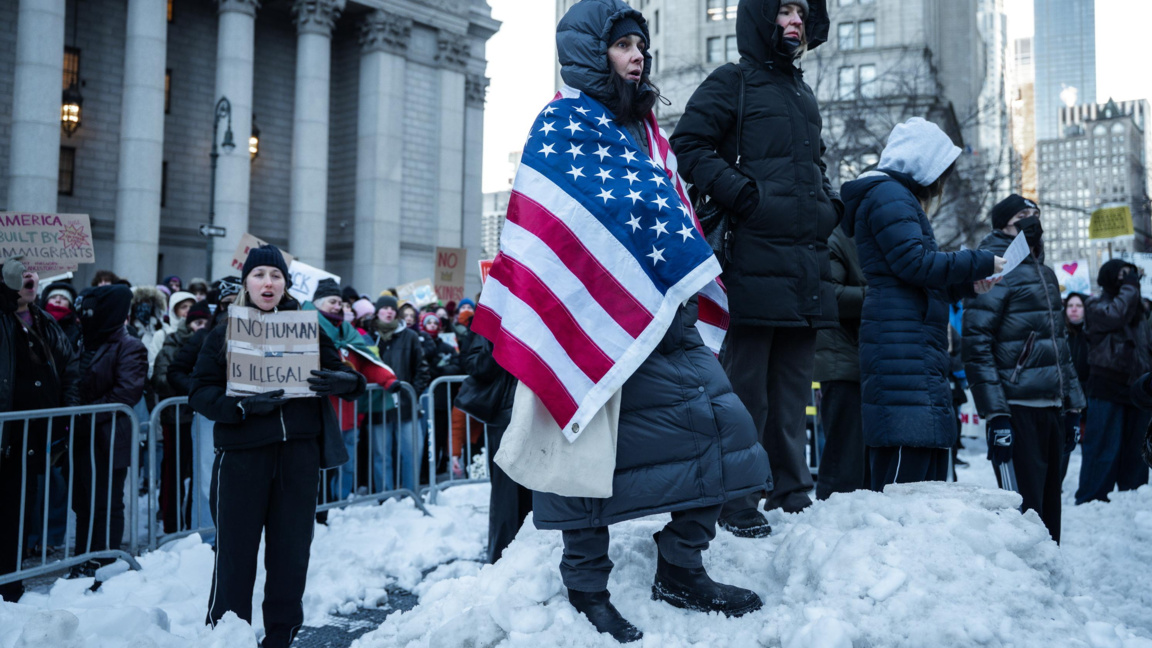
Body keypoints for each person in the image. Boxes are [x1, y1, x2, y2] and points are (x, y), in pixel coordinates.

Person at [510, 3, 772, 641]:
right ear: (589, 52)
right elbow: (559, 223)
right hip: (592, 320)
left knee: (727, 437)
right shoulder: (562, 124)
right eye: (624, 45)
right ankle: (586, 586)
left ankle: (681, 566)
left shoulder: (647, 131)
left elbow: (660, 211)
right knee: (582, 457)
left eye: (642, 47)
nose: (638, 56)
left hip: (668, 321)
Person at [670, 0, 838, 529]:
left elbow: (815, 166)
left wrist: (827, 207)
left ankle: (791, 492)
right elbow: (687, 145)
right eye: (785, 10)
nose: (796, 21)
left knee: (791, 397)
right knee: (745, 394)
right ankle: (737, 500)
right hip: (749, 263)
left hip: (803, 267)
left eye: (802, 13)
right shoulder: (732, 80)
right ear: (763, 18)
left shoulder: (801, 92)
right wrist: (747, 196)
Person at [190, 245, 365, 648]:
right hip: (242, 458)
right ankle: (228, 637)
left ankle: (281, 637)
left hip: (297, 456)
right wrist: (240, 407)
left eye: (275, 275)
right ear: (246, 282)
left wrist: (345, 382)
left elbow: (344, 371)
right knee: (235, 557)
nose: (268, 282)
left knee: (290, 555)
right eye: (259, 275)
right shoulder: (225, 331)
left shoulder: (306, 326)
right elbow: (198, 391)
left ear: (285, 283)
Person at [839, 117, 1005, 489]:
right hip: (901, 344)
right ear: (923, 161)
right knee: (903, 481)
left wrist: (967, 286)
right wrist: (977, 260)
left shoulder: (897, 197)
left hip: (910, 341)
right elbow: (913, 264)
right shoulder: (889, 195)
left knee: (922, 480)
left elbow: (916, 277)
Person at [961, 195, 1085, 543]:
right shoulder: (992, 270)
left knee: (1049, 507)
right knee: (1024, 513)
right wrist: (996, 415)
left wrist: (1073, 406)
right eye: (1022, 215)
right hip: (1016, 410)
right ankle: (1025, 587)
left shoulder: (1045, 273)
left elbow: (1060, 346)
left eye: (1036, 214)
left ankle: (1050, 583)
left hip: (1052, 409)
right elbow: (976, 346)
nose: (1032, 220)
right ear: (1003, 224)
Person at [0, 260, 81, 602]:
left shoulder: (45, 322)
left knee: (21, 503)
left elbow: (70, 369)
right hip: (6, 431)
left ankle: (11, 580)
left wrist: (66, 413)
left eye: (33, 272)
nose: (30, 276)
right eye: (20, 273)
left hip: (33, 434)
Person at [73, 283, 148, 575]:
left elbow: (126, 392)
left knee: (106, 500)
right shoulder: (83, 340)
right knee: (83, 501)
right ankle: (82, 560)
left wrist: (84, 414)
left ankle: (103, 563)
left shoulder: (130, 346)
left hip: (108, 436)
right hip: (81, 435)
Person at [306, 278, 398, 502]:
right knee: (318, 466)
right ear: (317, 303)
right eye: (332, 301)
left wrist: (388, 380)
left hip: (349, 414)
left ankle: (339, 501)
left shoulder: (349, 332)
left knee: (347, 463)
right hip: (319, 413)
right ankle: (318, 507)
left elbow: (366, 363)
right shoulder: (305, 327)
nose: (338, 306)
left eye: (340, 302)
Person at [167, 277, 241, 543]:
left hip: (245, 413)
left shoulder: (259, 333)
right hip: (210, 416)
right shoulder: (204, 335)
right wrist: (203, 393)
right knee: (207, 478)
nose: (233, 308)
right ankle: (208, 537)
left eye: (239, 302)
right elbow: (174, 371)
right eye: (227, 303)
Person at [1075, 259, 1152, 503]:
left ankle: (1133, 495)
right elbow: (1116, 314)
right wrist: (1131, 286)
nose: (1129, 279)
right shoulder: (1095, 304)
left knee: (1136, 450)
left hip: (1137, 387)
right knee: (1103, 448)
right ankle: (1091, 498)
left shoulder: (1138, 307)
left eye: (1131, 275)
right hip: (1107, 385)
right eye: (1122, 274)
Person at [812, 222, 869, 498]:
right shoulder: (837, 237)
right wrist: (880, 294)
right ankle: (831, 513)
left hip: (860, 357)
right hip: (841, 360)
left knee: (855, 451)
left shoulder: (863, 235)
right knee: (844, 452)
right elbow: (829, 295)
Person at [459, 333, 525, 563]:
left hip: (543, 412)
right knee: (507, 493)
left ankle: (540, 551)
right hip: (506, 415)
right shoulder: (494, 318)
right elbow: (476, 365)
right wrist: (498, 338)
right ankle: (503, 556)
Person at [153, 300, 211, 533]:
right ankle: (172, 526)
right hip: (176, 418)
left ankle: (192, 523)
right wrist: (193, 389)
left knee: (199, 475)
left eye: (206, 322)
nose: (201, 327)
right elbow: (160, 378)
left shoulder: (212, 342)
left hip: (200, 419)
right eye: (197, 322)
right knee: (174, 474)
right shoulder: (172, 344)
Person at [367, 295, 430, 492]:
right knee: (381, 454)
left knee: (411, 452)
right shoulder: (369, 337)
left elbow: (422, 369)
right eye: (384, 308)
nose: (389, 311)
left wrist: (411, 393)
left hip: (405, 405)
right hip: (378, 404)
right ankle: (385, 495)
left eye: (392, 308)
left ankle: (412, 493)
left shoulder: (409, 336)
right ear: (377, 311)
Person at [1064, 292, 1090, 479]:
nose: (1074, 309)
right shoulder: (1059, 334)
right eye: (1070, 305)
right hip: (1065, 398)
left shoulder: (1092, 335)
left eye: (1079, 305)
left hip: (1089, 395)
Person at [39, 280, 82, 348]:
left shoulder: (78, 331)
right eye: (53, 297)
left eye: (64, 298)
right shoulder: (36, 325)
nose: (58, 300)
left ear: (70, 305)